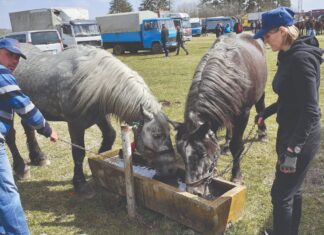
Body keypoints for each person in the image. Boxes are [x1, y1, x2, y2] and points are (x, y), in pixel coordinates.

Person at [253, 7, 323, 235]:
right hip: (290, 132)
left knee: (280, 195)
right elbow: (290, 97)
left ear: (282, 31)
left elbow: (312, 111)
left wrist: (293, 150)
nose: (264, 40)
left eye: (267, 35)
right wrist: (266, 112)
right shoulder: (287, 56)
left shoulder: (300, 59)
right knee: (293, 191)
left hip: (301, 138)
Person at [0, 38, 58, 234]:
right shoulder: (1, 74)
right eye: (9, 55)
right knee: (8, 193)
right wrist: (47, 129)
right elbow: (24, 106)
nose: (14, 61)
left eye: (17, 57)